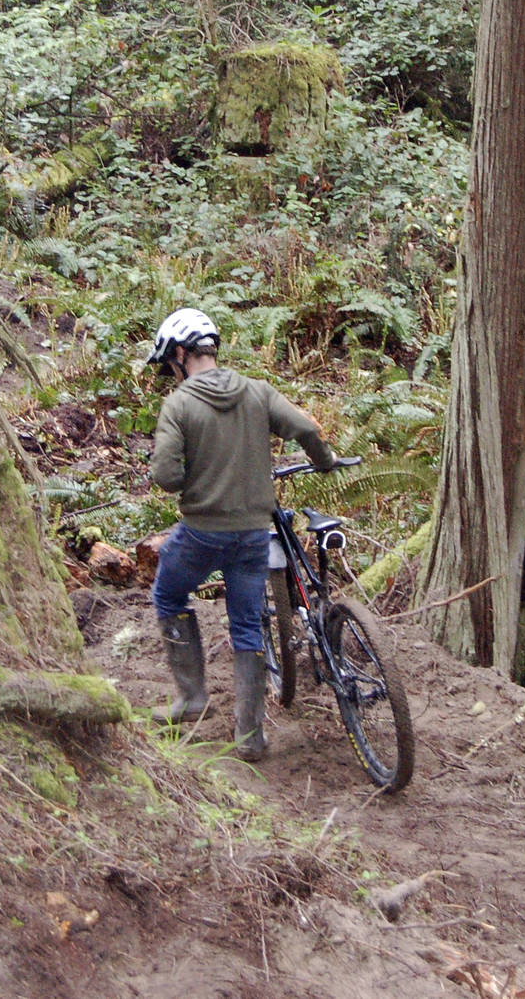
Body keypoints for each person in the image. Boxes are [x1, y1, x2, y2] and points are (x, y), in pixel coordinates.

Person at [145, 306, 338, 760]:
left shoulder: (179, 404)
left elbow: (167, 476)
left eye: (170, 363)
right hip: (254, 534)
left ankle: (192, 698)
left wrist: (196, 473)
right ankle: (250, 737)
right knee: (248, 625)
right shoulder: (257, 391)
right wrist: (325, 461)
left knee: (169, 597)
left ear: (179, 354)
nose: (171, 372)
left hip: (201, 535)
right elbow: (307, 428)